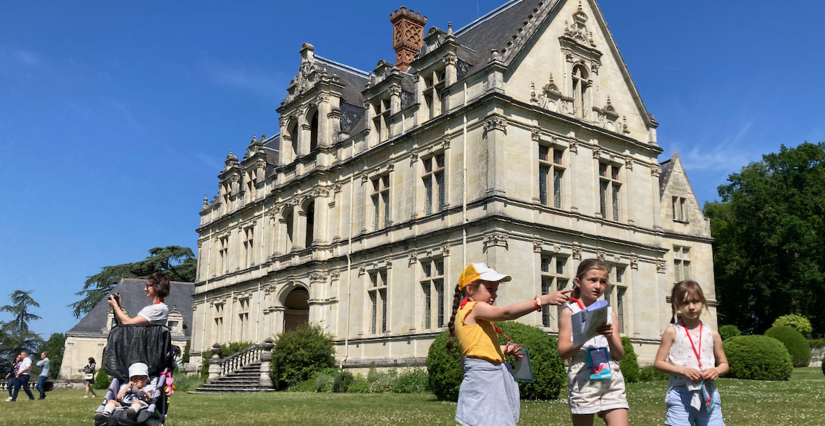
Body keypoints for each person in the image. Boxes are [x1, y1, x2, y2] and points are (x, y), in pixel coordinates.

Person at [448, 262, 571, 426]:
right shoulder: (475, 308)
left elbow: (474, 349)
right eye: (489, 289)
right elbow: (506, 313)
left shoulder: (466, 312)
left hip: (484, 377)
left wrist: (502, 350)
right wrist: (541, 300)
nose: (494, 295)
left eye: (496, 290)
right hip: (486, 379)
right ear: (470, 289)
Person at [558, 258, 628, 426]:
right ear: (578, 282)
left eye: (603, 281)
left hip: (610, 375)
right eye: (592, 280)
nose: (598, 286)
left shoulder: (609, 313)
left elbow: (619, 354)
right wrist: (584, 336)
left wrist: (610, 337)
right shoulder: (570, 312)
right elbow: (563, 352)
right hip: (583, 377)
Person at [654, 280, 729, 426]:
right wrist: (684, 371)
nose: (691, 307)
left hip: (708, 394)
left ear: (703, 303)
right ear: (677, 305)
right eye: (685, 303)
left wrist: (716, 370)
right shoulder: (672, 331)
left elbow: (724, 364)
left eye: (696, 301)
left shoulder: (712, 333)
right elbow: (659, 363)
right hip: (681, 396)